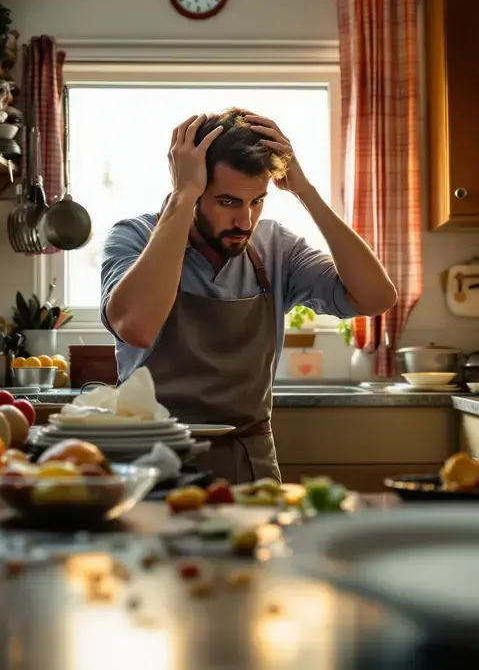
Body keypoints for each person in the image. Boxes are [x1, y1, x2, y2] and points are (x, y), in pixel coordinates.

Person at [100, 108, 396, 484]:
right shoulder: (134, 237)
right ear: (191, 188)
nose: (245, 221)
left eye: (256, 201)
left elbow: (376, 298)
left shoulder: (276, 247)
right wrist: (182, 195)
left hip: (248, 463)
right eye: (227, 202)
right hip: (150, 463)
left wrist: (305, 192)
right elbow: (137, 328)